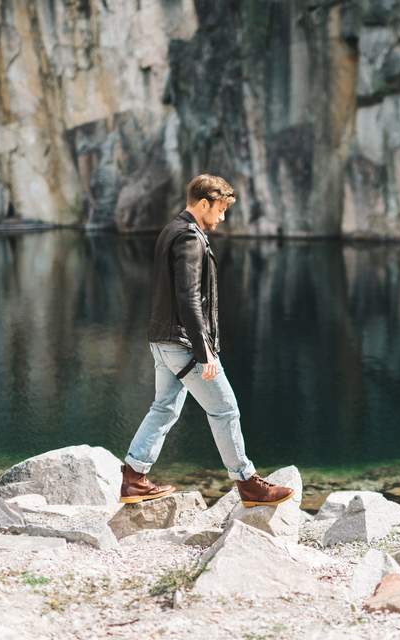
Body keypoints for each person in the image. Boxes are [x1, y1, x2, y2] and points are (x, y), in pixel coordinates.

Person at [120, 174, 294, 507]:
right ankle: (248, 484)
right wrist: (204, 353)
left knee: (164, 407)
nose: (222, 218)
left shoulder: (171, 230)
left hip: (162, 340)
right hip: (183, 345)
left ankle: (133, 477)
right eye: (220, 210)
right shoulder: (189, 238)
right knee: (225, 410)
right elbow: (187, 297)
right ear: (204, 204)